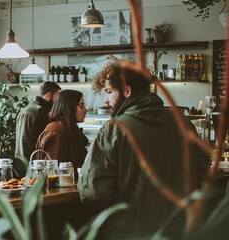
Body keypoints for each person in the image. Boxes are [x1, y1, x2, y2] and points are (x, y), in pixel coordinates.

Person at [77, 62, 211, 239]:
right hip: (180, 230)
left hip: (127, 233)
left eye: (109, 92)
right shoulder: (183, 123)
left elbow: (94, 192)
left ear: (127, 91)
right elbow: (204, 173)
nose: (105, 100)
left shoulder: (114, 129)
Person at [36, 89, 89, 180]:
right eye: (81, 106)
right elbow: (52, 173)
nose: (85, 109)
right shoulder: (57, 131)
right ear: (68, 108)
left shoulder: (69, 128)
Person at [15, 81, 61, 163]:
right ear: (49, 95)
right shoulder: (41, 112)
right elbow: (45, 142)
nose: (58, 103)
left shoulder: (24, 109)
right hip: (34, 164)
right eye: (57, 98)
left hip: (20, 162)